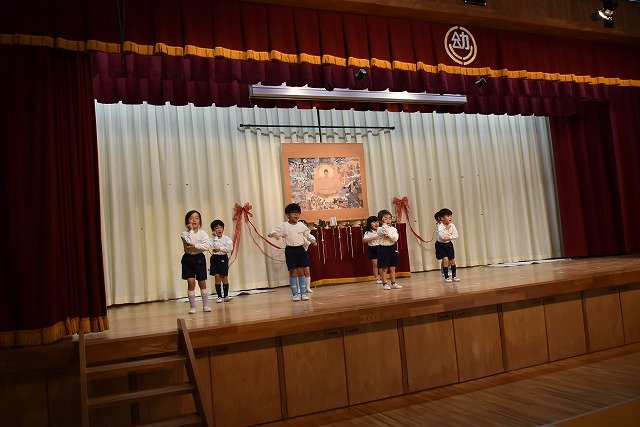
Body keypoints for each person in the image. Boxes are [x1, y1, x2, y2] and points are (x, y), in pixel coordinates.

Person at [268, 203, 317, 301]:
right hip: (290, 251)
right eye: (294, 213)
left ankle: (303, 293)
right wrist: (274, 234)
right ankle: (295, 295)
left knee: (301, 271)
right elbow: (271, 231)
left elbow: (307, 234)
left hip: (300, 250)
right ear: (287, 215)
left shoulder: (301, 225)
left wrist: (312, 240)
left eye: (298, 213)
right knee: (293, 272)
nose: (296, 215)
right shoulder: (284, 225)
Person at [180, 210, 211, 314]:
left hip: (199, 258)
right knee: (191, 282)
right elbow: (190, 242)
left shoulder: (203, 233)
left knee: (202, 282)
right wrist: (192, 231)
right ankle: (192, 307)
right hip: (187, 259)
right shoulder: (184, 234)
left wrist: (196, 246)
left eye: (196, 218)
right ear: (187, 221)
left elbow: (206, 246)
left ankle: (206, 305)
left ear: (200, 221)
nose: (194, 220)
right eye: (191, 218)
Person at [209, 219, 234, 303]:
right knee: (217, 276)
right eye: (216, 228)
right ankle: (219, 296)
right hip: (214, 258)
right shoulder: (211, 239)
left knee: (224, 276)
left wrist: (220, 249)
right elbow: (214, 247)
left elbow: (229, 249)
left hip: (223, 258)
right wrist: (216, 238)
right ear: (213, 230)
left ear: (223, 228)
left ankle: (226, 296)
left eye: (221, 227)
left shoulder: (227, 239)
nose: (219, 229)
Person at [376, 209, 402, 290]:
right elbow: (384, 232)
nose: (388, 220)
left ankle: (393, 283)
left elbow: (395, 238)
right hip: (383, 248)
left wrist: (390, 236)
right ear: (381, 220)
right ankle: (384, 283)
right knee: (384, 268)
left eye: (389, 218)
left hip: (392, 248)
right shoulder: (380, 229)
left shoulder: (393, 229)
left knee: (393, 267)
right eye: (385, 218)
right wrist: (384, 224)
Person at [435, 208, 460, 283]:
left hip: (449, 244)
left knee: (452, 260)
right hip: (440, 245)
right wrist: (448, 233)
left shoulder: (452, 226)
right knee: (445, 260)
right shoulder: (440, 226)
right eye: (448, 216)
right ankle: (446, 277)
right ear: (442, 218)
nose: (450, 217)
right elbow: (442, 236)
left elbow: (456, 235)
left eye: (451, 216)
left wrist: (449, 237)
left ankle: (454, 276)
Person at [362, 215, 383, 284]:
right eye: (374, 222)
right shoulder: (368, 232)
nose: (376, 224)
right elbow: (364, 240)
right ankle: (377, 278)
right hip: (372, 248)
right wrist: (373, 238)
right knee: (375, 264)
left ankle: (383, 277)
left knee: (382, 264)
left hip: (381, 247)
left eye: (377, 222)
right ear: (370, 223)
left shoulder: (381, 230)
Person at [300, 220, 313, 294]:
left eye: (305, 225)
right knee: (299, 271)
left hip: (304, 253)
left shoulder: (307, 234)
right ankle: (300, 288)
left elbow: (308, 242)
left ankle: (308, 287)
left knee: (307, 270)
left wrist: (312, 240)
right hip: (296, 252)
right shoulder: (297, 234)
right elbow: (306, 242)